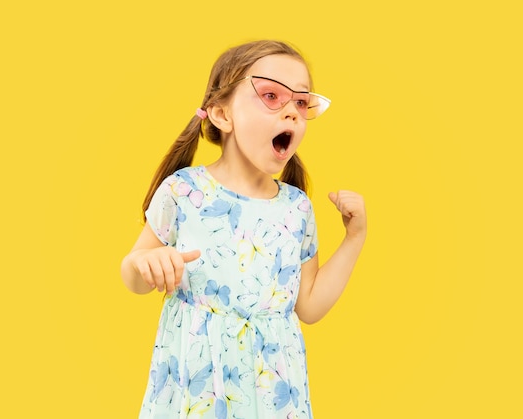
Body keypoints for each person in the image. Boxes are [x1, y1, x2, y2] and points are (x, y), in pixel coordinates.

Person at [121, 39, 367, 419]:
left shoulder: (296, 207)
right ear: (221, 115)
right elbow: (133, 274)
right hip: (197, 385)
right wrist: (146, 264)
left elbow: (309, 305)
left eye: (301, 102)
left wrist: (354, 238)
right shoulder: (184, 191)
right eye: (271, 95)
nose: (291, 113)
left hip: (273, 390)